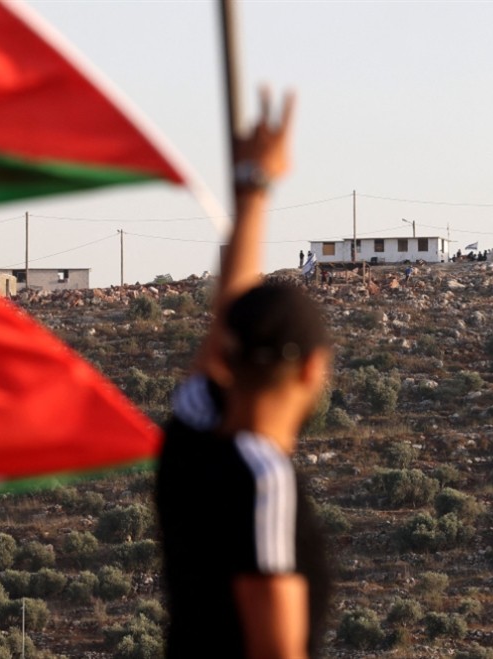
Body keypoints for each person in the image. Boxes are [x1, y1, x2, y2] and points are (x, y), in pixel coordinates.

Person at [156, 90, 332, 659]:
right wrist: (256, 183)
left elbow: (227, 315)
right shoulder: (262, 480)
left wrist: (254, 186)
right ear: (313, 370)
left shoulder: (190, 439)